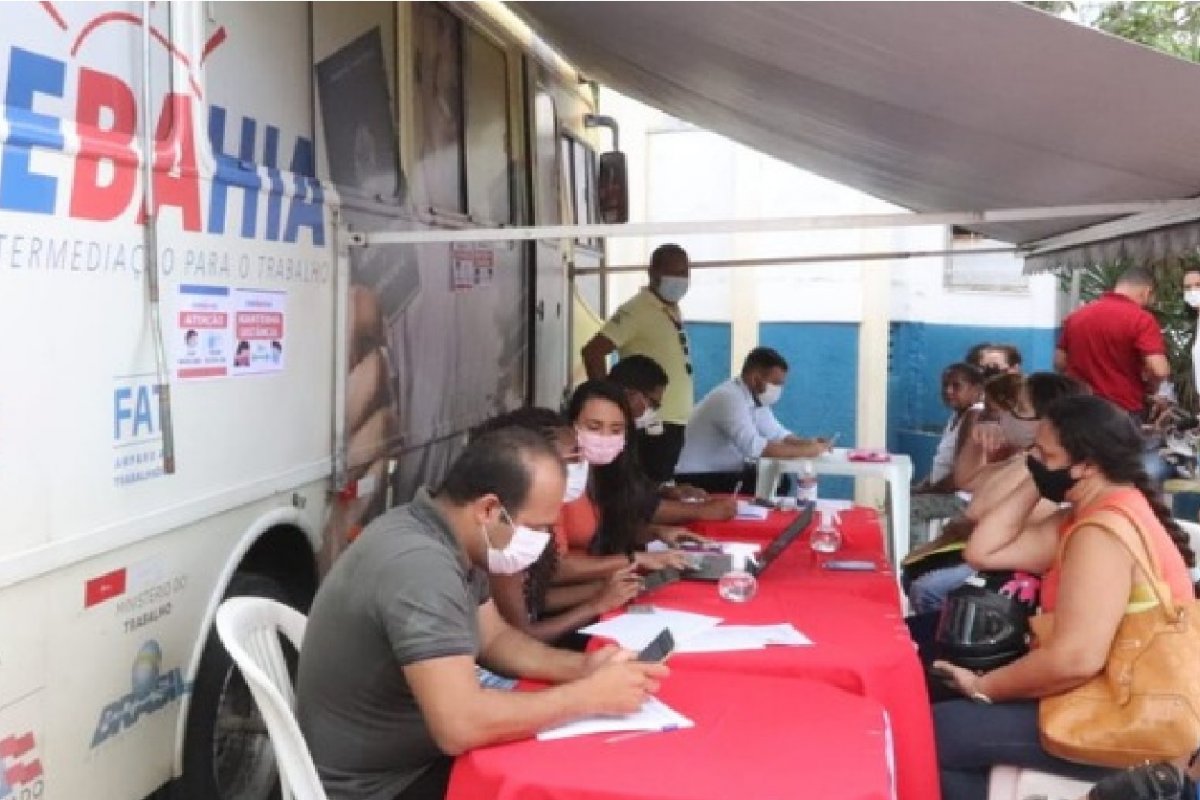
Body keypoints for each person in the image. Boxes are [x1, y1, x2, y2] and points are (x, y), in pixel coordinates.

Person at [296, 427, 668, 800]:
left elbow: (496, 639)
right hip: (387, 785)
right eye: (537, 528)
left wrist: (584, 669)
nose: (543, 543)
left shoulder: (448, 538)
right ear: (489, 510)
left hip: (417, 760)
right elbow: (460, 724)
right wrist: (588, 696)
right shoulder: (420, 567)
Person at [930, 395, 1197, 800]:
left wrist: (986, 687)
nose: (1030, 459)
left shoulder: (1101, 534)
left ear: (1086, 464)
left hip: (1131, 718)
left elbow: (1075, 659)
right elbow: (983, 551)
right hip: (1109, 696)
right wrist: (1038, 475)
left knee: (941, 730)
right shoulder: (1092, 512)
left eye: (1042, 452)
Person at [471, 408, 642, 645]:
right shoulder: (505, 534)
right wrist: (596, 604)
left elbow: (534, 597)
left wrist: (604, 589)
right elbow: (522, 635)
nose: (581, 463)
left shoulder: (529, 514)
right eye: (572, 458)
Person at [582, 244, 695, 483]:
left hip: (672, 420)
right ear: (652, 272)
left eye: (684, 272)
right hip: (650, 420)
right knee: (644, 490)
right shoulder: (636, 310)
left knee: (660, 484)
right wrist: (609, 403)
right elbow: (593, 352)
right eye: (672, 273)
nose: (680, 279)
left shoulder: (670, 309)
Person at [561, 380, 704, 557]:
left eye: (616, 429)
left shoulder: (609, 471)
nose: (605, 437)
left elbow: (610, 532)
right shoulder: (561, 481)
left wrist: (657, 533)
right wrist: (634, 560)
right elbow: (554, 568)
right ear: (571, 426)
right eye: (594, 427)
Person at [674, 347, 829, 494]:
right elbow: (754, 447)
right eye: (776, 383)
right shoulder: (729, 398)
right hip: (698, 477)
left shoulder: (755, 399)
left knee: (778, 480)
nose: (779, 390)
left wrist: (809, 443)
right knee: (774, 482)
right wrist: (808, 451)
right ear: (755, 379)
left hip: (724, 471)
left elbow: (777, 434)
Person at [608, 355, 737, 523]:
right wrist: (700, 511)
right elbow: (628, 504)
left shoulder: (627, 434)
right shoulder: (603, 441)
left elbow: (631, 487)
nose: (653, 411)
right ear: (630, 394)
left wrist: (663, 491)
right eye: (653, 404)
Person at [1055, 266, 1170, 418]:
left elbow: (1059, 362)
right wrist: (1151, 387)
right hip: (1121, 411)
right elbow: (1159, 370)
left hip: (1080, 408)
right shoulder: (1141, 319)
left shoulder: (1076, 317)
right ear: (1147, 292)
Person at [909, 363, 985, 543]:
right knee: (900, 496)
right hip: (947, 491)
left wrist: (927, 490)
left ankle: (915, 561)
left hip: (961, 498)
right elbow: (943, 464)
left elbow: (959, 475)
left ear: (977, 389)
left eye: (956, 386)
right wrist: (922, 486)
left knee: (909, 507)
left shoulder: (974, 415)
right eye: (945, 386)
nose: (949, 391)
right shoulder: (958, 415)